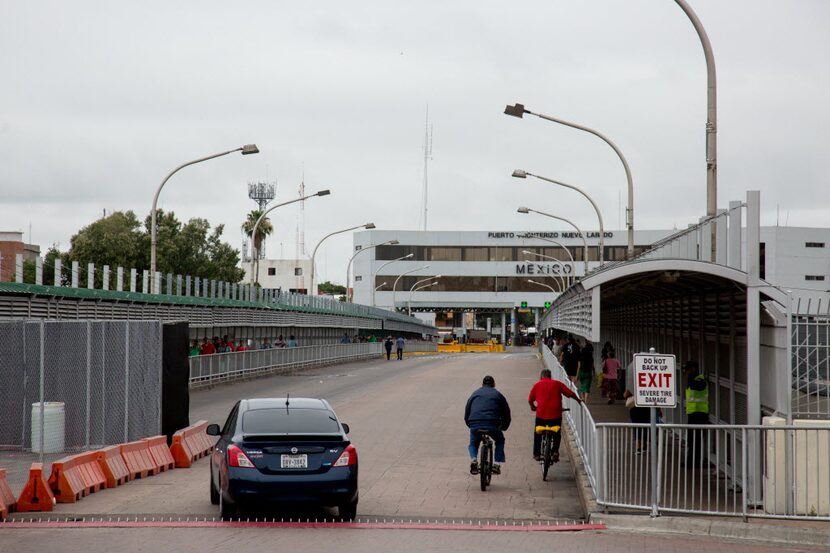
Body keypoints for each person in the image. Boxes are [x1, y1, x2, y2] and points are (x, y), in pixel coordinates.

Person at [528, 368, 581, 462]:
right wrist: (578, 400)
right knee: (557, 433)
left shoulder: (537, 385)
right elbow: (570, 393)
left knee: (538, 433)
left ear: (541, 376)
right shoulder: (557, 384)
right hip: (555, 415)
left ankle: (536, 454)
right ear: (550, 376)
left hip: (541, 415)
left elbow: (530, 399)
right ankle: (555, 452)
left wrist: (532, 406)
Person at [465, 375, 511, 475]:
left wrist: (470, 424)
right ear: (494, 385)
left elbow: (467, 410)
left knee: (473, 443)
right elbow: (506, 412)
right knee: (500, 440)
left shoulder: (475, 393)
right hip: (492, 424)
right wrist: (504, 426)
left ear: (482, 385)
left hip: (475, 423)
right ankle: (496, 464)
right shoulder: (498, 394)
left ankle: (474, 460)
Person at [684, 360, 709, 467]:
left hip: (700, 413)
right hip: (692, 413)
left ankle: (695, 462)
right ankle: (691, 460)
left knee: (696, 439)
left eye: (688, 370)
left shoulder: (700, 379)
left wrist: (690, 379)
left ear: (693, 369)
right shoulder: (693, 380)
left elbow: (698, 386)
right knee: (691, 439)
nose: (686, 373)